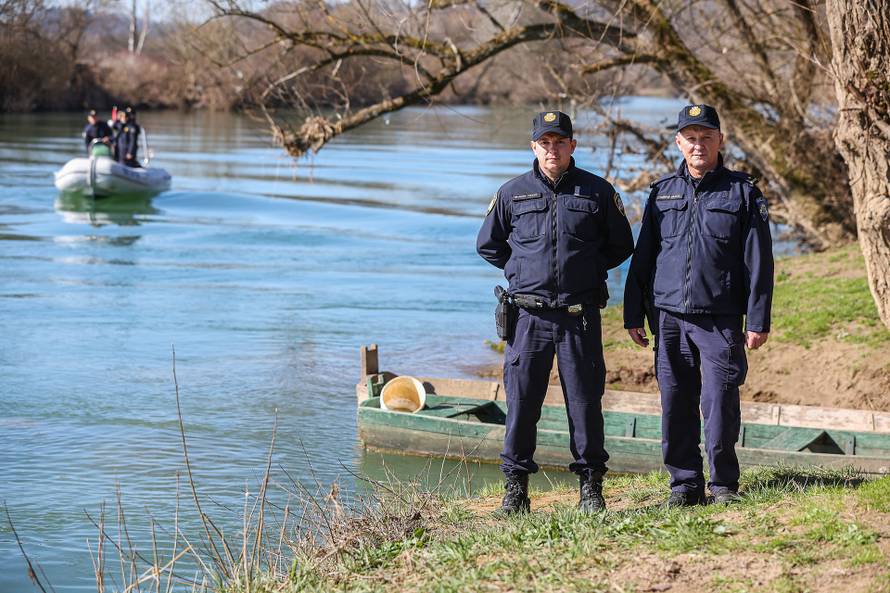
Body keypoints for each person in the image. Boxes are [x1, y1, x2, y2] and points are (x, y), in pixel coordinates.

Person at [477, 111, 634, 514]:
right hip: (527, 318)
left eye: (560, 142)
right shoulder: (512, 193)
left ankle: (591, 488)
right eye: (545, 143)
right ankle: (516, 491)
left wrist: (586, 269)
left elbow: (621, 245)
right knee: (521, 405)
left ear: (572, 146)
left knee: (585, 404)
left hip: (578, 317)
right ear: (534, 147)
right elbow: (489, 245)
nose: (552, 150)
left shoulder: (597, 192)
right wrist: (522, 269)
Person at [623, 104, 774, 507]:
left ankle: (723, 485)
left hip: (719, 319)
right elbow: (644, 257)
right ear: (678, 143)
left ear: (720, 140)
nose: (698, 145)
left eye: (706, 137)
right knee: (675, 403)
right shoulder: (661, 193)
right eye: (690, 138)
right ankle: (685, 485)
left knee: (719, 403)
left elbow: (759, 262)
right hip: (668, 317)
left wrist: (758, 319)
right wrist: (633, 312)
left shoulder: (743, 193)